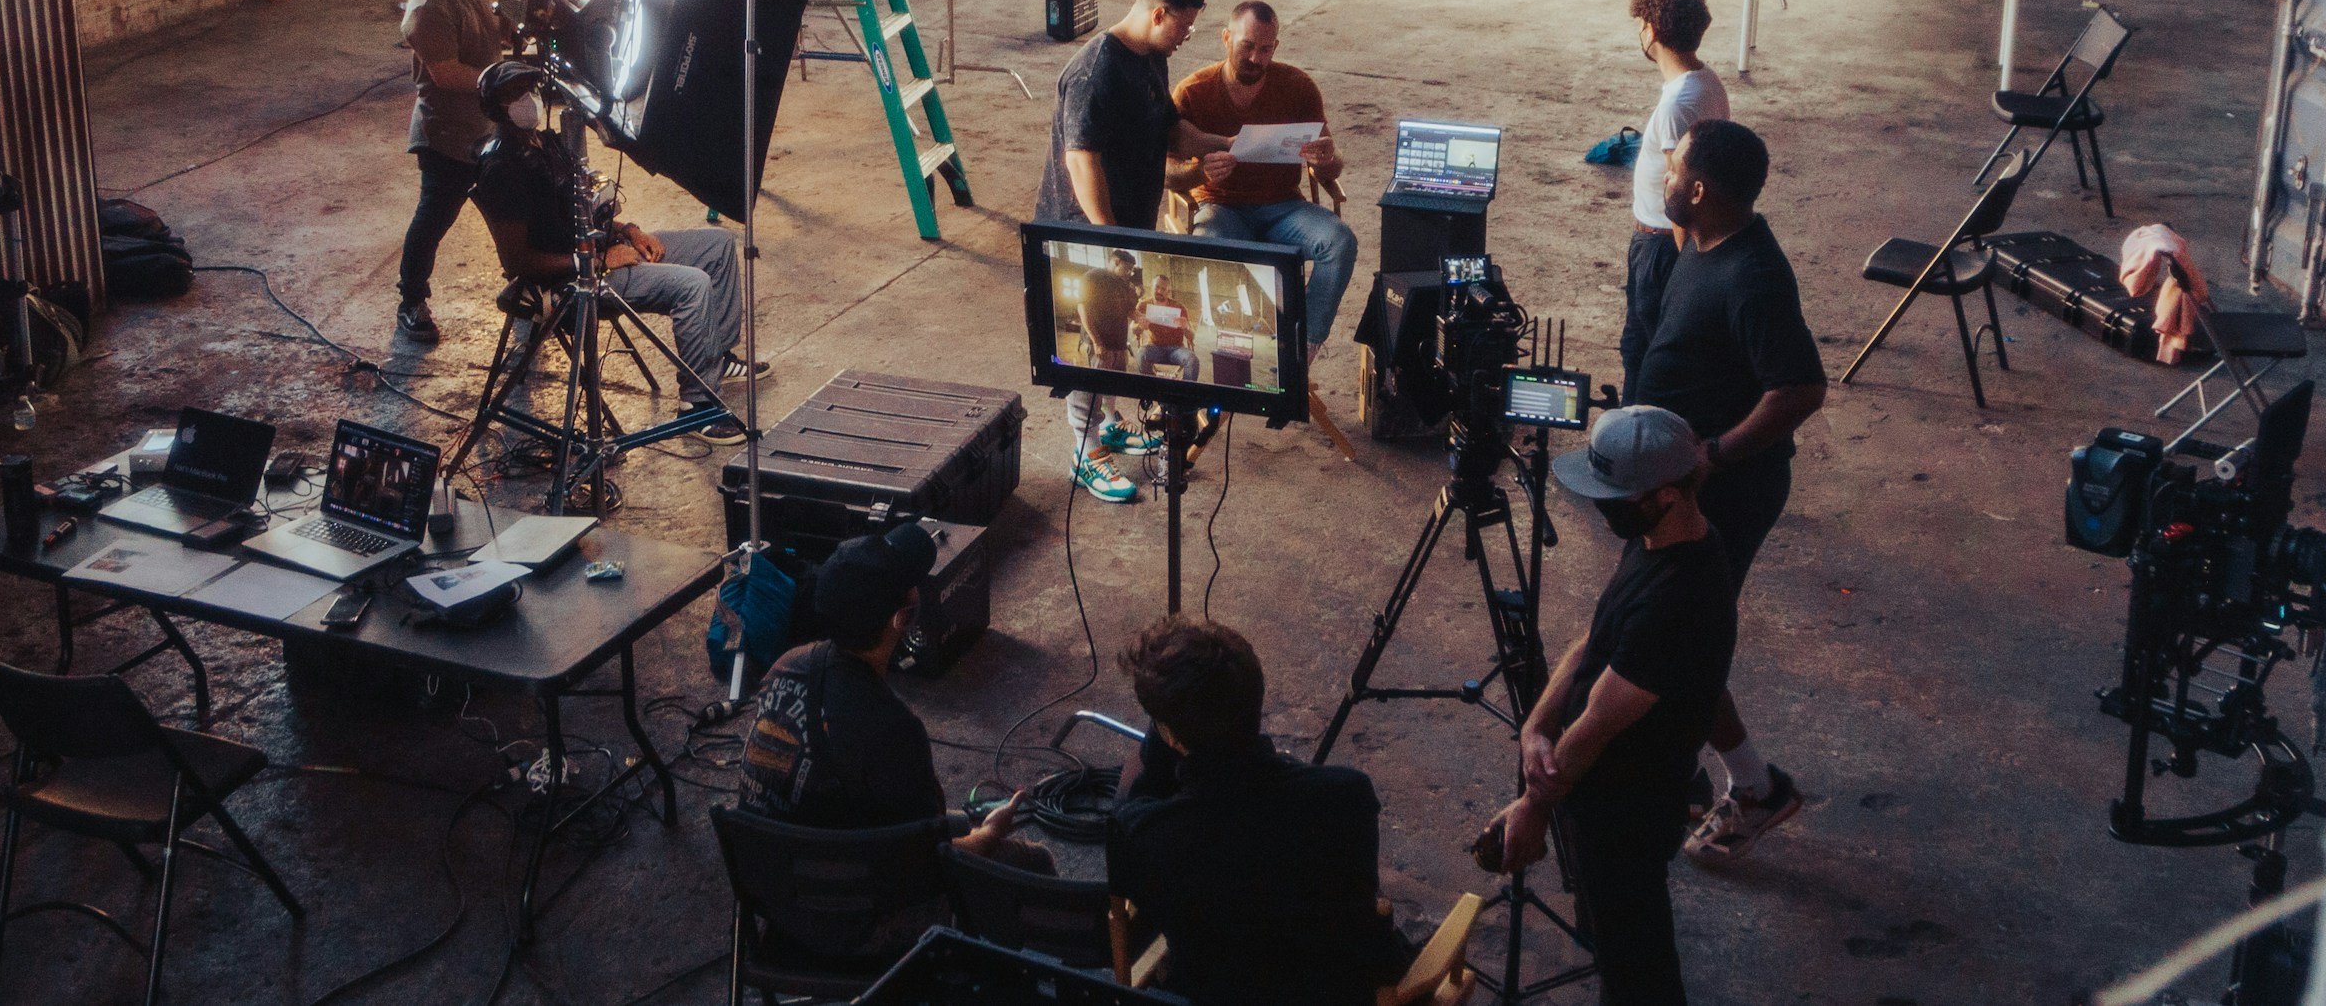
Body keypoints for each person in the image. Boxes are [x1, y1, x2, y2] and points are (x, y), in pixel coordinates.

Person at [1485, 407, 1738, 1006]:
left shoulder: (1677, 603)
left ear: (1669, 494)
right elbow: (1590, 643)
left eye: (1615, 496)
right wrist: (1535, 726)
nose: (1602, 509)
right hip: (1595, 787)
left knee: (1638, 961)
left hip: (1628, 803)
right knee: (1612, 931)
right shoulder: (1658, 537)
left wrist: (1532, 806)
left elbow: (1597, 724)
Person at [1629, 118, 1826, 860]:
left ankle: (1754, 788)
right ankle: (1698, 773)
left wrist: (1713, 453)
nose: (1665, 177)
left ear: (1701, 189)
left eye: (1673, 168)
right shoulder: (1704, 240)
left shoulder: (1755, 276)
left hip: (1722, 498)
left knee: (1677, 646)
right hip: (1676, 486)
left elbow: (1801, 388)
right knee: (1667, 639)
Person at [741, 525, 1052, 955]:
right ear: (901, 618)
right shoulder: (894, 731)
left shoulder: (787, 665)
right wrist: (989, 833)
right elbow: (935, 863)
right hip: (859, 925)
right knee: (1034, 863)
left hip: (775, 902)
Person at [1107, 618, 1412, 1006]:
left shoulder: (1145, 833)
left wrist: (1166, 726)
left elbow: (1129, 802)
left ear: (1169, 735)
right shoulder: (1345, 796)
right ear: (1256, 699)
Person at [471, 61, 750, 444]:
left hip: (598, 245)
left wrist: (629, 231)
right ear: (496, 107)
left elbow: (583, 203)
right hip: (570, 278)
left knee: (717, 247)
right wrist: (598, 262)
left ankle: (715, 357)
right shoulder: (501, 169)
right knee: (693, 285)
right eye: (515, 95)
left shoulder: (544, 142)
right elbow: (518, 263)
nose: (528, 100)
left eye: (530, 90)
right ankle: (697, 406)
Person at [1036, 0, 1235, 504]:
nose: (1186, 36)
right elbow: (1080, 160)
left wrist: (1227, 144)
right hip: (1086, 227)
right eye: (1184, 27)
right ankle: (1085, 450)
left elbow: (1173, 131)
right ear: (1157, 14)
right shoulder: (1095, 71)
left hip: (1126, 228)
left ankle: (1105, 422)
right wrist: (1109, 237)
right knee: (1096, 344)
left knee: (1119, 341)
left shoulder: (1150, 57)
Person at [1169, 1, 1359, 373]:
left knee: (1340, 242)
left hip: (1283, 206)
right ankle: (1233, 354)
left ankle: (1299, 350)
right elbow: (1165, 175)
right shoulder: (1194, 91)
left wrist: (1327, 160)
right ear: (1225, 38)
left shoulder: (1297, 86)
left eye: (1266, 49)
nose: (1256, 57)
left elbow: (1329, 168)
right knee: (1211, 249)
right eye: (1246, 46)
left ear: (1276, 47)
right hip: (1221, 207)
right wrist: (1200, 174)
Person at [395, 0, 504, 344]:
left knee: (511, 209)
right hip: (448, 137)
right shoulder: (426, 7)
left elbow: (501, 24)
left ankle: (528, 282)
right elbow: (447, 73)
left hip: (487, 128)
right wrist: (502, 78)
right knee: (434, 218)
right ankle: (411, 300)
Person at [1619, 0, 1728, 391]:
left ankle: (1635, 440)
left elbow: (1679, 198)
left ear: (1651, 30)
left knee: (1644, 354)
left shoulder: (1674, 107)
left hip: (1662, 247)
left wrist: (1690, 269)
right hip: (1667, 245)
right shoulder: (1707, 81)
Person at [1133, 272, 1200, 381]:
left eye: (1163, 289)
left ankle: (1186, 394)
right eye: (1157, 287)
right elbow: (1133, 329)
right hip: (1154, 347)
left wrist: (1186, 327)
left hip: (1177, 349)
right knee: (1141, 354)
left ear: (1168, 291)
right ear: (1151, 287)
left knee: (1193, 360)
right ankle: (1153, 388)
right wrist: (1140, 327)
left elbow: (1192, 336)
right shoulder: (1143, 305)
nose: (1159, 291)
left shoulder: (1179, 307)